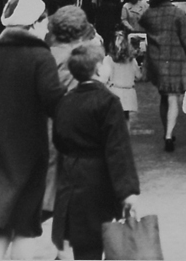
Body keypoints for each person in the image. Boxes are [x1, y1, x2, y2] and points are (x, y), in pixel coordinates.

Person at [0, 0, 66, 260]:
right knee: (22, 229)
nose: (47, 26)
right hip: (24, 156)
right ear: (33, 23)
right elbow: (55, 104)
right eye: (44, 20)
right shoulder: (40, 58)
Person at [52, 43, 140, 261]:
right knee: (104, 241)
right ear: (99, 70)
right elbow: (117, 149)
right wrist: (127, 192)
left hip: (71, 182)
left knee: (82, 246)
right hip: (100, 184)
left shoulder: (65, 101)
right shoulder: (109, 102)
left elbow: (58, 140)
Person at [43, 5, 101, 258]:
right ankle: (63, 252)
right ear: (80, 33)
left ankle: (60, 250)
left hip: (43, 132)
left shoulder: (44, 55)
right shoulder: (77, 60)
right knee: (68, 197)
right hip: (68, 137)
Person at [140, 0, 186, 152]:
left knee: (164, 97)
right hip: (176, 60)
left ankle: (167, 130)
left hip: (157, 61)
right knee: (174, 98)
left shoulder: (148, 15)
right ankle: (168, 135)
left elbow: (141, 23)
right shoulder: (178, 14)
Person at [100, 29, 141, 119]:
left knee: (114, 119)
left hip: (114, 92)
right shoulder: (131, 60)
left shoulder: (108, 59)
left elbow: (103, 79)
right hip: (128, 92)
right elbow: (138, 76)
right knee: (126, 119)